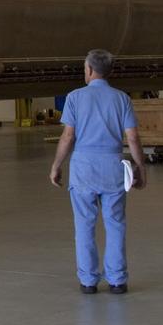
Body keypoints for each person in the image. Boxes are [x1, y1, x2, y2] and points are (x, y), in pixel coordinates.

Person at [48, 49, 147, 295]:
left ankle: (88, 281)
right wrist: (140, 167)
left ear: (90, 70)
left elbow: (68, 136)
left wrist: (56, 165)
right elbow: (133, 137)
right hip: (113, 168)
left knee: (84, 225)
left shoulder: (74, 97)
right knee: (115, 224)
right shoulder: (122, 98)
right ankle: (117, 280)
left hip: (83, 169)